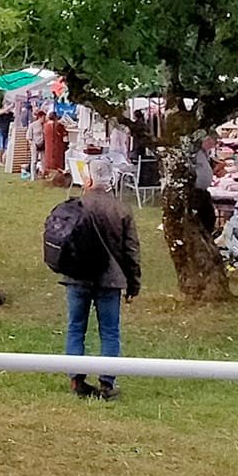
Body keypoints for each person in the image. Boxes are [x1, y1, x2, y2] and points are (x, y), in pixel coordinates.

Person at [61, 158, 143, 401]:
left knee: (76, 327)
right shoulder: (121, 210)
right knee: (110, 331)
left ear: (88, 179)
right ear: (111, 181)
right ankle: (107, 382)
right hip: (111, 279)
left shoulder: (76, 205)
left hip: (77, 277)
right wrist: (133, 283)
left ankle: (76, 378)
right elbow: (131, 251)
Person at [43, 108, 68, 186]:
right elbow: (64, 134)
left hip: (48, 147)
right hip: (57, 147)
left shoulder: (46, 125)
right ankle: (58, 179)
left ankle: (49, 177)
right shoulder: (58, 125)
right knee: (57, 163)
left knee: (49, 162)